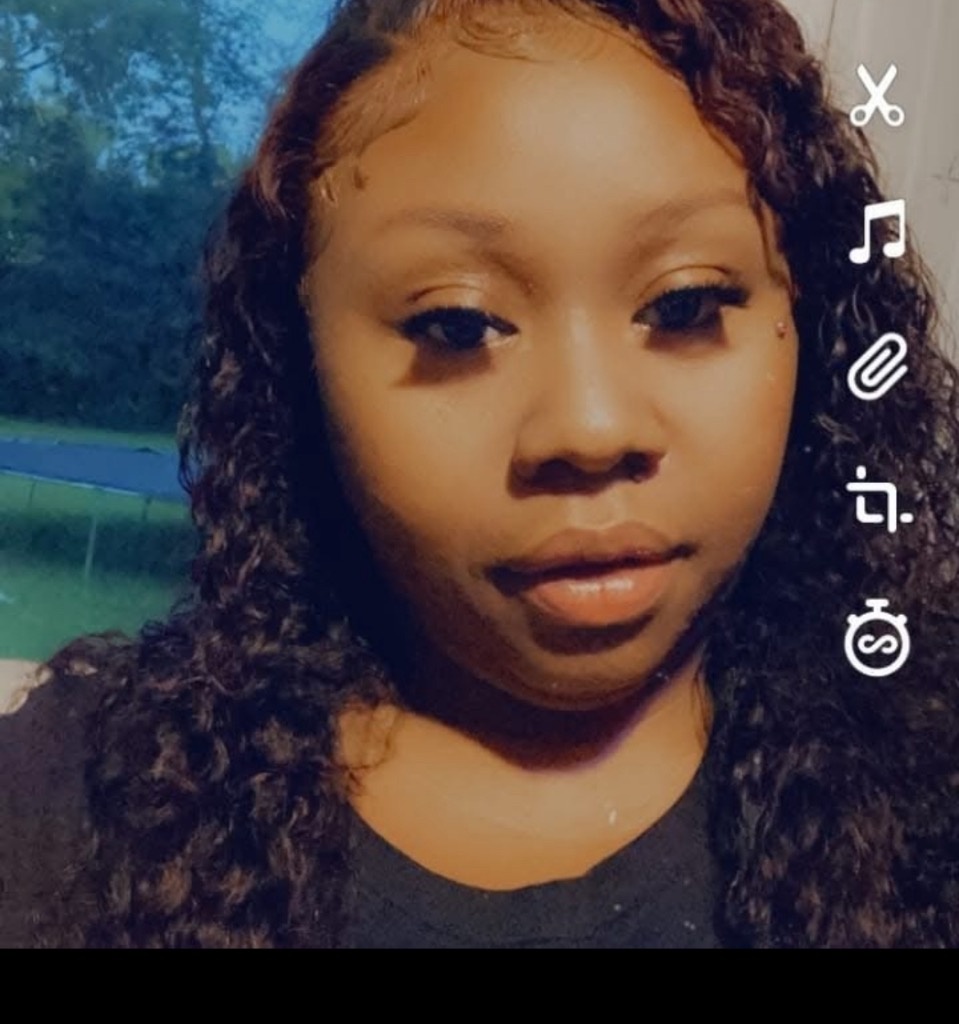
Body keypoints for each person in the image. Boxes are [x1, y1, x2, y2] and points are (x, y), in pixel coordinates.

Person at [2, 0, 959, 949]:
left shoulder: (925, 762)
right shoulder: (80, 810)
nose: (590, 428)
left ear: (811, 329)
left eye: (684, 306)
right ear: (301, 364)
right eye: (457, 325)